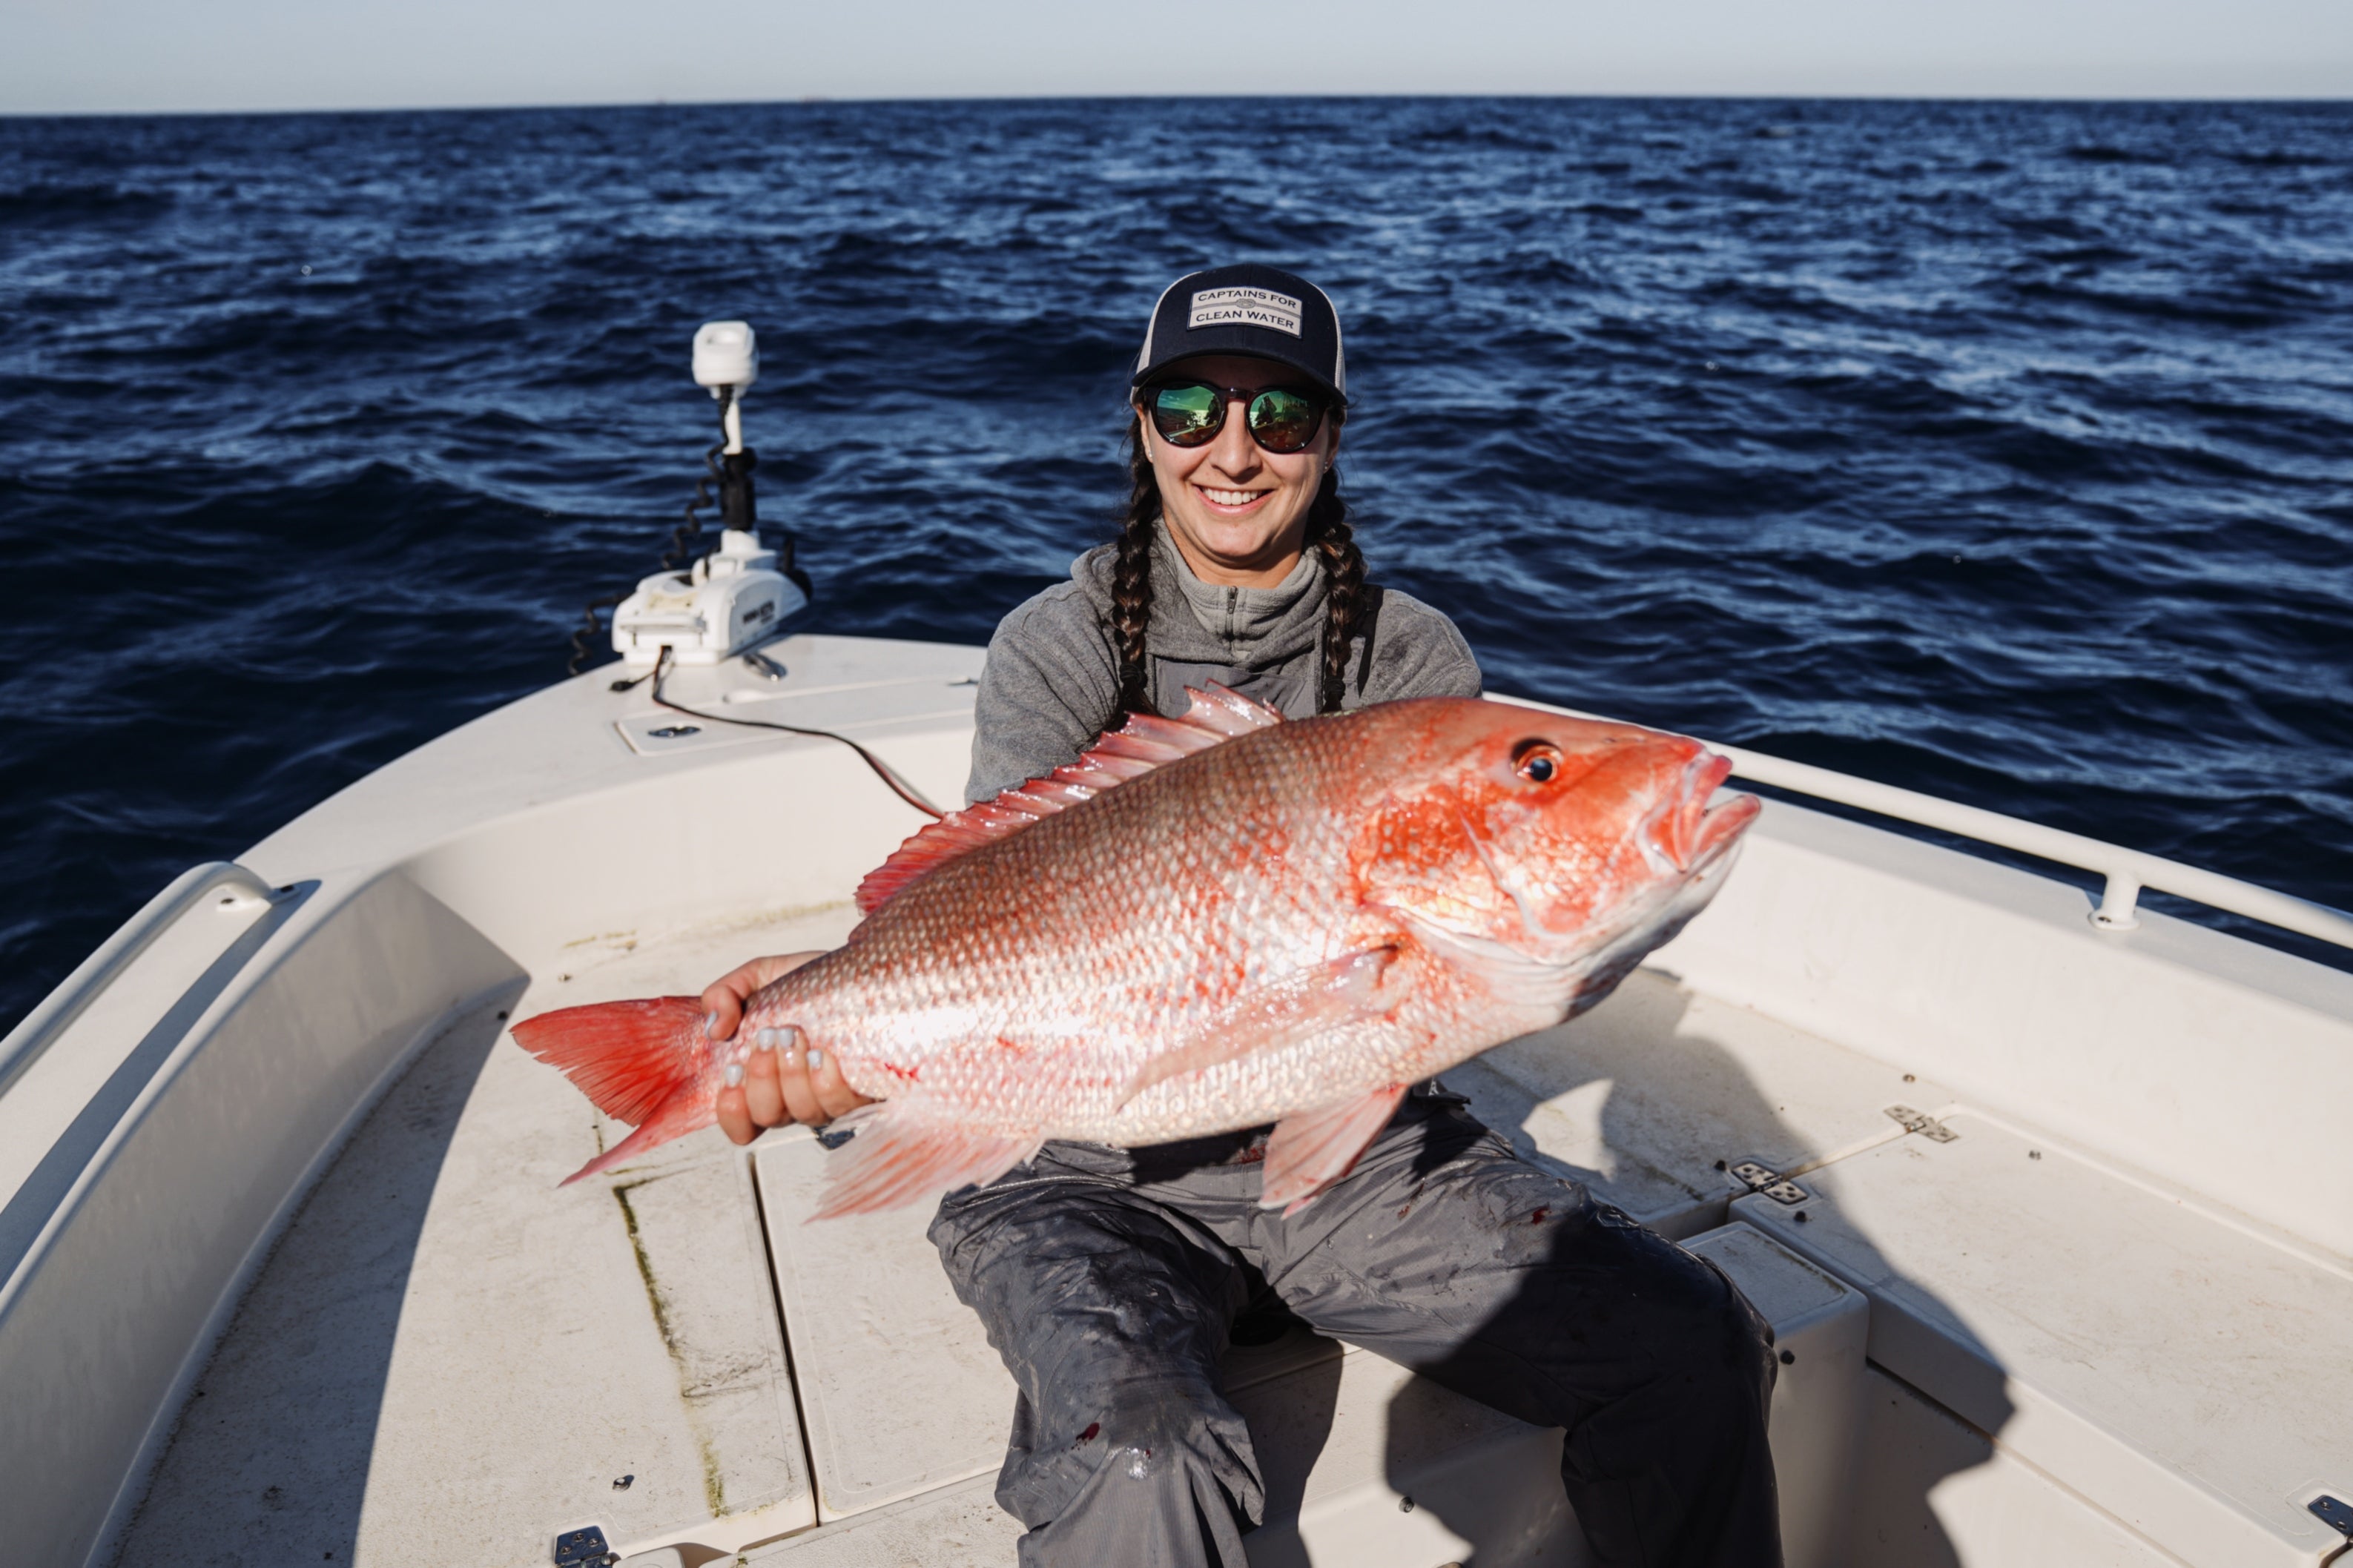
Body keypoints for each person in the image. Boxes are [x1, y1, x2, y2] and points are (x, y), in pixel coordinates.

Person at [701, 264, 1782, 1568]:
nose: (1232, 449)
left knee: (1690, 1347)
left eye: (1278, 416)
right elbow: (987, 913)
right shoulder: (1056, 640)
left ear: (1328, 437)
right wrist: (838, 1017)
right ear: (1140, 424)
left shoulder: (1412, 656)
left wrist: (1573, 949)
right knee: (1142, 1462)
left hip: (1357, 1146)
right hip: (1076, 1162)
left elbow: (1435, 989)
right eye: (1189, 408)